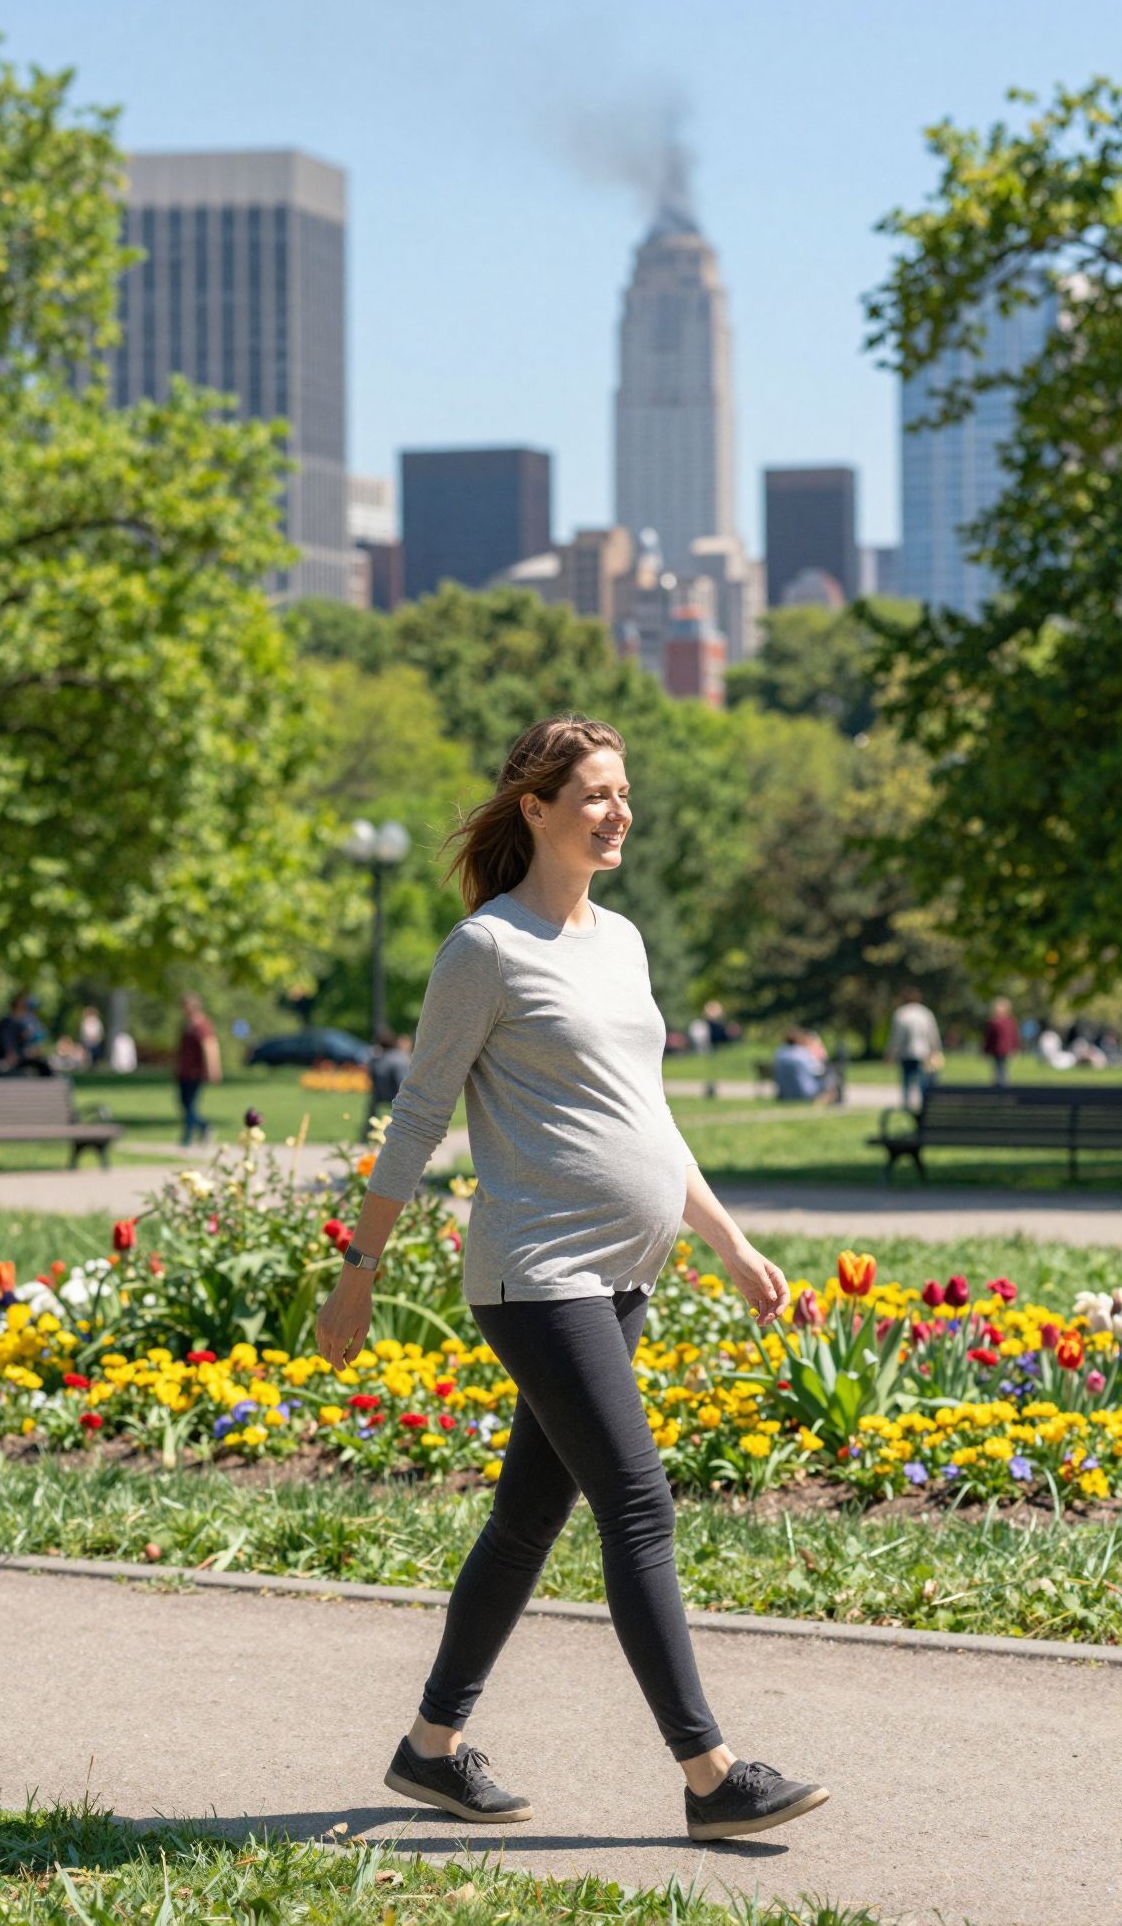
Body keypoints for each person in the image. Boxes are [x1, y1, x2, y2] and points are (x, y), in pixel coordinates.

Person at [316, 714, 829, 1844]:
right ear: (535, 808)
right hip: (536, 1272)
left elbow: (646, 1119)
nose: (616, 810)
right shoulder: (485, 949)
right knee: (636, 1501)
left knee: (525, 1517)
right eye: (593, 793)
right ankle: (712, 1775)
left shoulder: (624, 940)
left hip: (621, 1271)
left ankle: (431, 1748)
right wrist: (360, 1269)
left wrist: (729, 1240)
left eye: (623, 791)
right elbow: (417, 1117)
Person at [885, 988, 943, 1112]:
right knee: (923, 1081)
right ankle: (924, 1105)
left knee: (906, 1081)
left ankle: (906, 1105)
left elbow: (896, 1038)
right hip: (923, 1053)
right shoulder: (925, 1013)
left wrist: (891, 1053)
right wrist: (935, 1049)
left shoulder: (901, 1014)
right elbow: (933, 1034)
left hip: (906, 1053)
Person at [175, 993, 221, 1144]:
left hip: (196, 1071)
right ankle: (203, 1127)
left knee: (190, 1105)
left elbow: (210, 1047)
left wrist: (213, 1069)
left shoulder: (201, 1025)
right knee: (184, 1103)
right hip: (184, 1071)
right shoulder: (187, 1024)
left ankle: (187, 1138)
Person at [0, 991, 54, 1077]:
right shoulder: (6, 1024)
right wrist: (25, 1054)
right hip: (0, 1062)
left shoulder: (19, 1025)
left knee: (43, 1066)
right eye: (26, 1008)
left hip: (12, 1060)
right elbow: (10, 1054)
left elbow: (25, 1046)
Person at [362, 1025, 412, 1139]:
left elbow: (371, 1077)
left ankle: (367, 1133)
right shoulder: (399, 1058)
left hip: (379, 1095)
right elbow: (402, 1081)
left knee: (372, 1106)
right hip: (395, 1094)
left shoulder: (377, 1059)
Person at [772, 1028, 841, 1106]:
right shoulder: (801, 1054)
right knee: (832, 1077)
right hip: (804, 1092)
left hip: (785, 1093)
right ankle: (833, 1102)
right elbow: (818, 1070)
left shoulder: (780, 1053)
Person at [982, 997, 1020, 1088]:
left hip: (1000, 1048)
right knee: (1000, 1065)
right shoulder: (1006, 1022)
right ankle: (1001, 1081)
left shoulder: (1002, 1022)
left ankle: (1001, 1083)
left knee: (1000, 1065)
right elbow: (990, 1038)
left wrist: (986, 1050)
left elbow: (1014, 1036)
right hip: (1001, 1048)